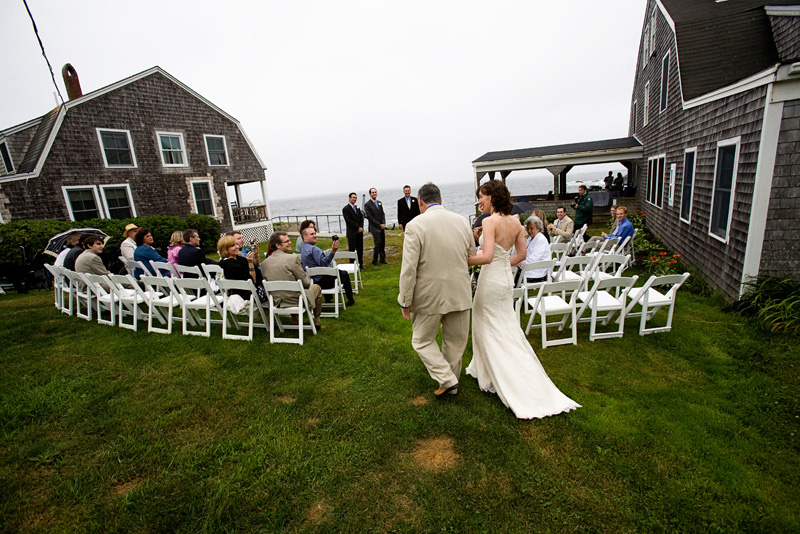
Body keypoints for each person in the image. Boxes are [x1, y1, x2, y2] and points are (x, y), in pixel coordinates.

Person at [466, 180, 580, 419]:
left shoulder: (489, 221)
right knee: (504, 324)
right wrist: (502, 265)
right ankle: (488, 369)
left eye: (481, 196)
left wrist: (462, 259)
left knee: (486, 323)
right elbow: (522, 254)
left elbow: (486, 257)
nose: (479, 201)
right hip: (505, 279)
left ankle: (495, 374)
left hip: (491, 280)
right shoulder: (516, 222)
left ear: (492, 197)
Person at [398, 183, 475, 397]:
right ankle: (450, 382)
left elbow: (409, 268)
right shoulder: (462, 222)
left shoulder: (415, 225)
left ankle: (448, 380)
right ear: (441, 200)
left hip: (429, 294)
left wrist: (405, 299)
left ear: (420, 202)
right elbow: (470, 255)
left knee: (421, 340)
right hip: (460, 290)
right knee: (455, 342)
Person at [261, 231, 323, 330]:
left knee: (290, 289)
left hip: (277, 301)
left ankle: (296, 320)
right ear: (278, 245)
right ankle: (317, 320)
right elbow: (306, 283)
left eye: (289, 240)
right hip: (296, 300)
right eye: (286, 241)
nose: (290, 242)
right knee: (316, 288)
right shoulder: (293, 259)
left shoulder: (264, 263)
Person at [300, 227, 355, 307]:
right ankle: (350, 299)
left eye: (315, 233)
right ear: (305, 237)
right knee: (344, 274)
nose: (315, 235)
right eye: (312, 234)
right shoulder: (314, 249)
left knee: (327, 272)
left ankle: (328, 299)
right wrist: (333, 251)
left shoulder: (304, 249)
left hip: (313, 280)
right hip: (323, 281)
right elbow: (324, 262)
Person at [217, 234, 266, 302]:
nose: (237, 247)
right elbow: (253, 282)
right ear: (225, 249)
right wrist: (250, 264)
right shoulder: (232, 265)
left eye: (236, 244)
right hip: (250, 296)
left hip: (236, 294)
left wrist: (255, 255)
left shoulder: (227, 262)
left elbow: (256, 267)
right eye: (232, 245)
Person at [516, 216, 551, 284]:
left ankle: (517, 293)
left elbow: (533, 259)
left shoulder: (540, 239)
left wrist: (519, 263)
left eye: (531, 228)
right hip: (529, 269)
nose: (529, 231)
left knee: (513, 276)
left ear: (538, 228)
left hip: (537, 273)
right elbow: (524, 253)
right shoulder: (530, 239)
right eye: (527, 228)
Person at [364, 187, 387, 265]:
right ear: (370, 194)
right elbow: (370, 217)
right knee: (378, 243)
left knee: (382, 243)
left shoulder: (379, 203)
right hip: (374, 227)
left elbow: (382, 213)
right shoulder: (367, 205)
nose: (374, 193)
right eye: (372, 192)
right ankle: (375, 260)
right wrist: (378, 225)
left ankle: (382, 259)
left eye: (375, 192)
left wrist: (383, 223)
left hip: (381, 226)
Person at [342, 192, 365, 269]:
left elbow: (361, 218)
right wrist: (357, 227)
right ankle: (352, 265)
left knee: (360, 249)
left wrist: (361, 227)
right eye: (353, 197)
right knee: (352, 250)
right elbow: (348, 221)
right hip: (352, 233)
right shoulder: (346, 209)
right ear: (349, 198)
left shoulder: (357, 208)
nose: (354, 199)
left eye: (356, 198)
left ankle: (360, 264)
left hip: (359, 232)